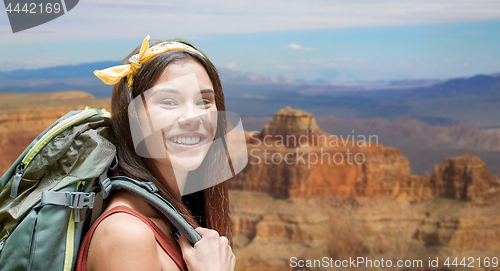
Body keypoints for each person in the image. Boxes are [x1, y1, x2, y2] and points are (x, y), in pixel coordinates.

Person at [75, 35, 236, 271]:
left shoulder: (170, 218)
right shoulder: (127, 234)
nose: (193, 118)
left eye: (204, 101)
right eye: (169, 101)